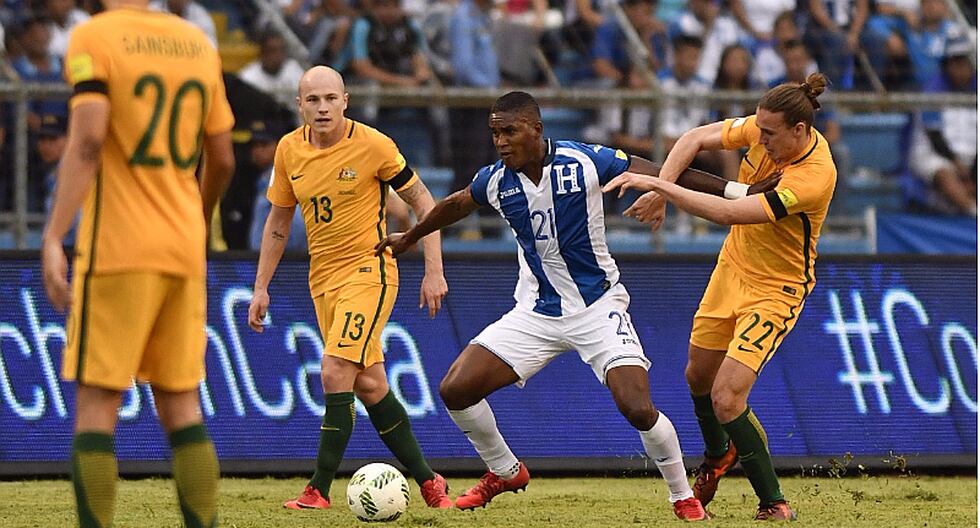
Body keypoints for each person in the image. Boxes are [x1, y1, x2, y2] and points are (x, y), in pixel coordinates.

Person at [377, 91, 779, 519]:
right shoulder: (495, 180)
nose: (500, 142)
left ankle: (682, 496)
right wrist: (411, 236)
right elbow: (456, 204)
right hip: (536, 312)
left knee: (638, 408)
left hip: (597, 308)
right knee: (455, 390)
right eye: (495, 133)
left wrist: (741, 191)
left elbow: (661, 174)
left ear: (536, 129)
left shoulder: (583, 161)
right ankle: (504, 470)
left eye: (509, 131)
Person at [603, 72, 837, 521]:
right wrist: (662, 189)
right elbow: (692, 139)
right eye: (758, 129)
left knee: (727, 397)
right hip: (731, 268)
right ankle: (718, 455)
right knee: (697, 376)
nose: (759, 139)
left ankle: (773, 502)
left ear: (799, 130)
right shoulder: (763, 128)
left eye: (769, 134)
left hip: (776, 289)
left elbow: (730, 213)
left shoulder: (813, 176)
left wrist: (662, 188)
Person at [40, 0, 236, 525]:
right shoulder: (197, 42)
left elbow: (88, 141)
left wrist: (54, 235)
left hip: (118, 247)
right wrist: (196, 218)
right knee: (182, 406)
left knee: (98, 405)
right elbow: (222, 157)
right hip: (183, 246)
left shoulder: (96, 37)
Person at [246, 65, 453, 511]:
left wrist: (433, 270)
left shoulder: (374, 145)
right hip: (322, 280)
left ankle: (317, 489)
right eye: (312, 100)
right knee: (371, 384)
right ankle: (429, 480)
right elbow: (278, 221)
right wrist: (261, 287)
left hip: (370, 270)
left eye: (330, 99)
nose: (322, 108)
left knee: (335, 369)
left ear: (345, 101)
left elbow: (424, 202)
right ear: (300, 105)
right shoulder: (288, 150)